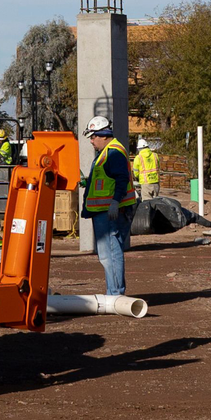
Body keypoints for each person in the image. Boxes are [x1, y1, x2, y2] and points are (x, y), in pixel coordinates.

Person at [82, 115, 138, 297]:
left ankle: (115, 294)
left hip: (109, 212)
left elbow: (121, 179)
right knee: (110, 254)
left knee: (110, 255)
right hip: (106, 211)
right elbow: (108, 179)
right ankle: (113, 292)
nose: (91, 141)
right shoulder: (108, 152)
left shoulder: (112, 152)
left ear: (103, 135)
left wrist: (115, 202)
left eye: (93, 136)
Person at [132, 137, 160, 201]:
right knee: (156, 202)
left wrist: (137, 177)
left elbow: (135, 171)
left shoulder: (138, 157)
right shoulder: (155, 155)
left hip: (145, 183)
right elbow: (158, 167)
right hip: (156, 182)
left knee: (146, 203)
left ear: (139, 148)